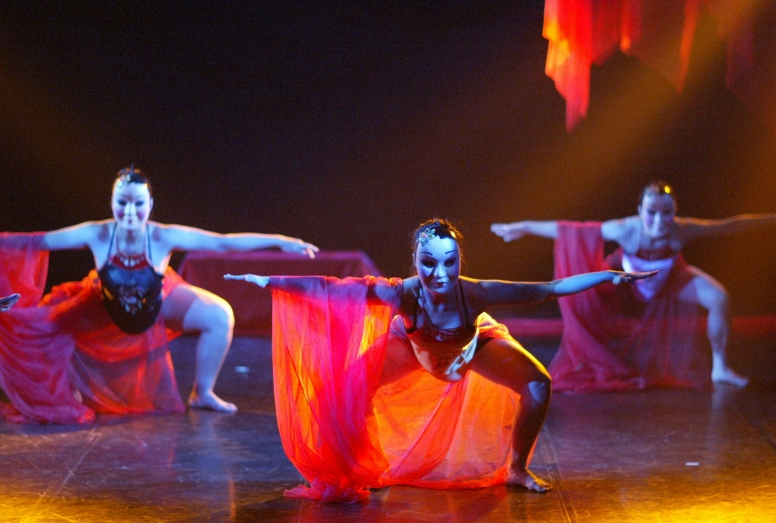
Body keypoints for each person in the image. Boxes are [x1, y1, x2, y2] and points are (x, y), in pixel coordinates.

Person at [225, 218, 654, 502]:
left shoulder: (477, 292)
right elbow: (336, 289)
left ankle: (517, 469)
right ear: (415, 261)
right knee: (344, 390)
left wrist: (608, 275)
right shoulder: (403, 293)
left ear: (459, 261)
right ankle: (353, 469)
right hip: (415, 348)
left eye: (449, 263)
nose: (440, 275)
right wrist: (268, 280)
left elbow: (548, 289)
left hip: (469, 347)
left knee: (538, 383)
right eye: (428, 264)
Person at [0, 166, 318, 424]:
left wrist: (280, 240)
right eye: (122, 202)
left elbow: (223, 242)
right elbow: (34, 242)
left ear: (150, 205)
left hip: (157, 303)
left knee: (219, 315)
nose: (129, 211)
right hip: (104, 307)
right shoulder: (97, 233)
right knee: (38, 327)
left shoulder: (162, 236)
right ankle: (65, 393)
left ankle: (203, 393)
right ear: (112, 202)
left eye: (138, 203)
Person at [491, 181, 776, 392]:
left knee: (719, 297)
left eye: (667, 213)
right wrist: (524, 227)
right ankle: (587, 354)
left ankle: (720, 367)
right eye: (652, 213)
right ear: (640, 211)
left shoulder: (682, 230)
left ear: (674, 212)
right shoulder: (625, 230)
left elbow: (730, 225)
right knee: (586, 290)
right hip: (626, 282)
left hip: (668, 278)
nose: (659, 221)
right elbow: (573, 230)